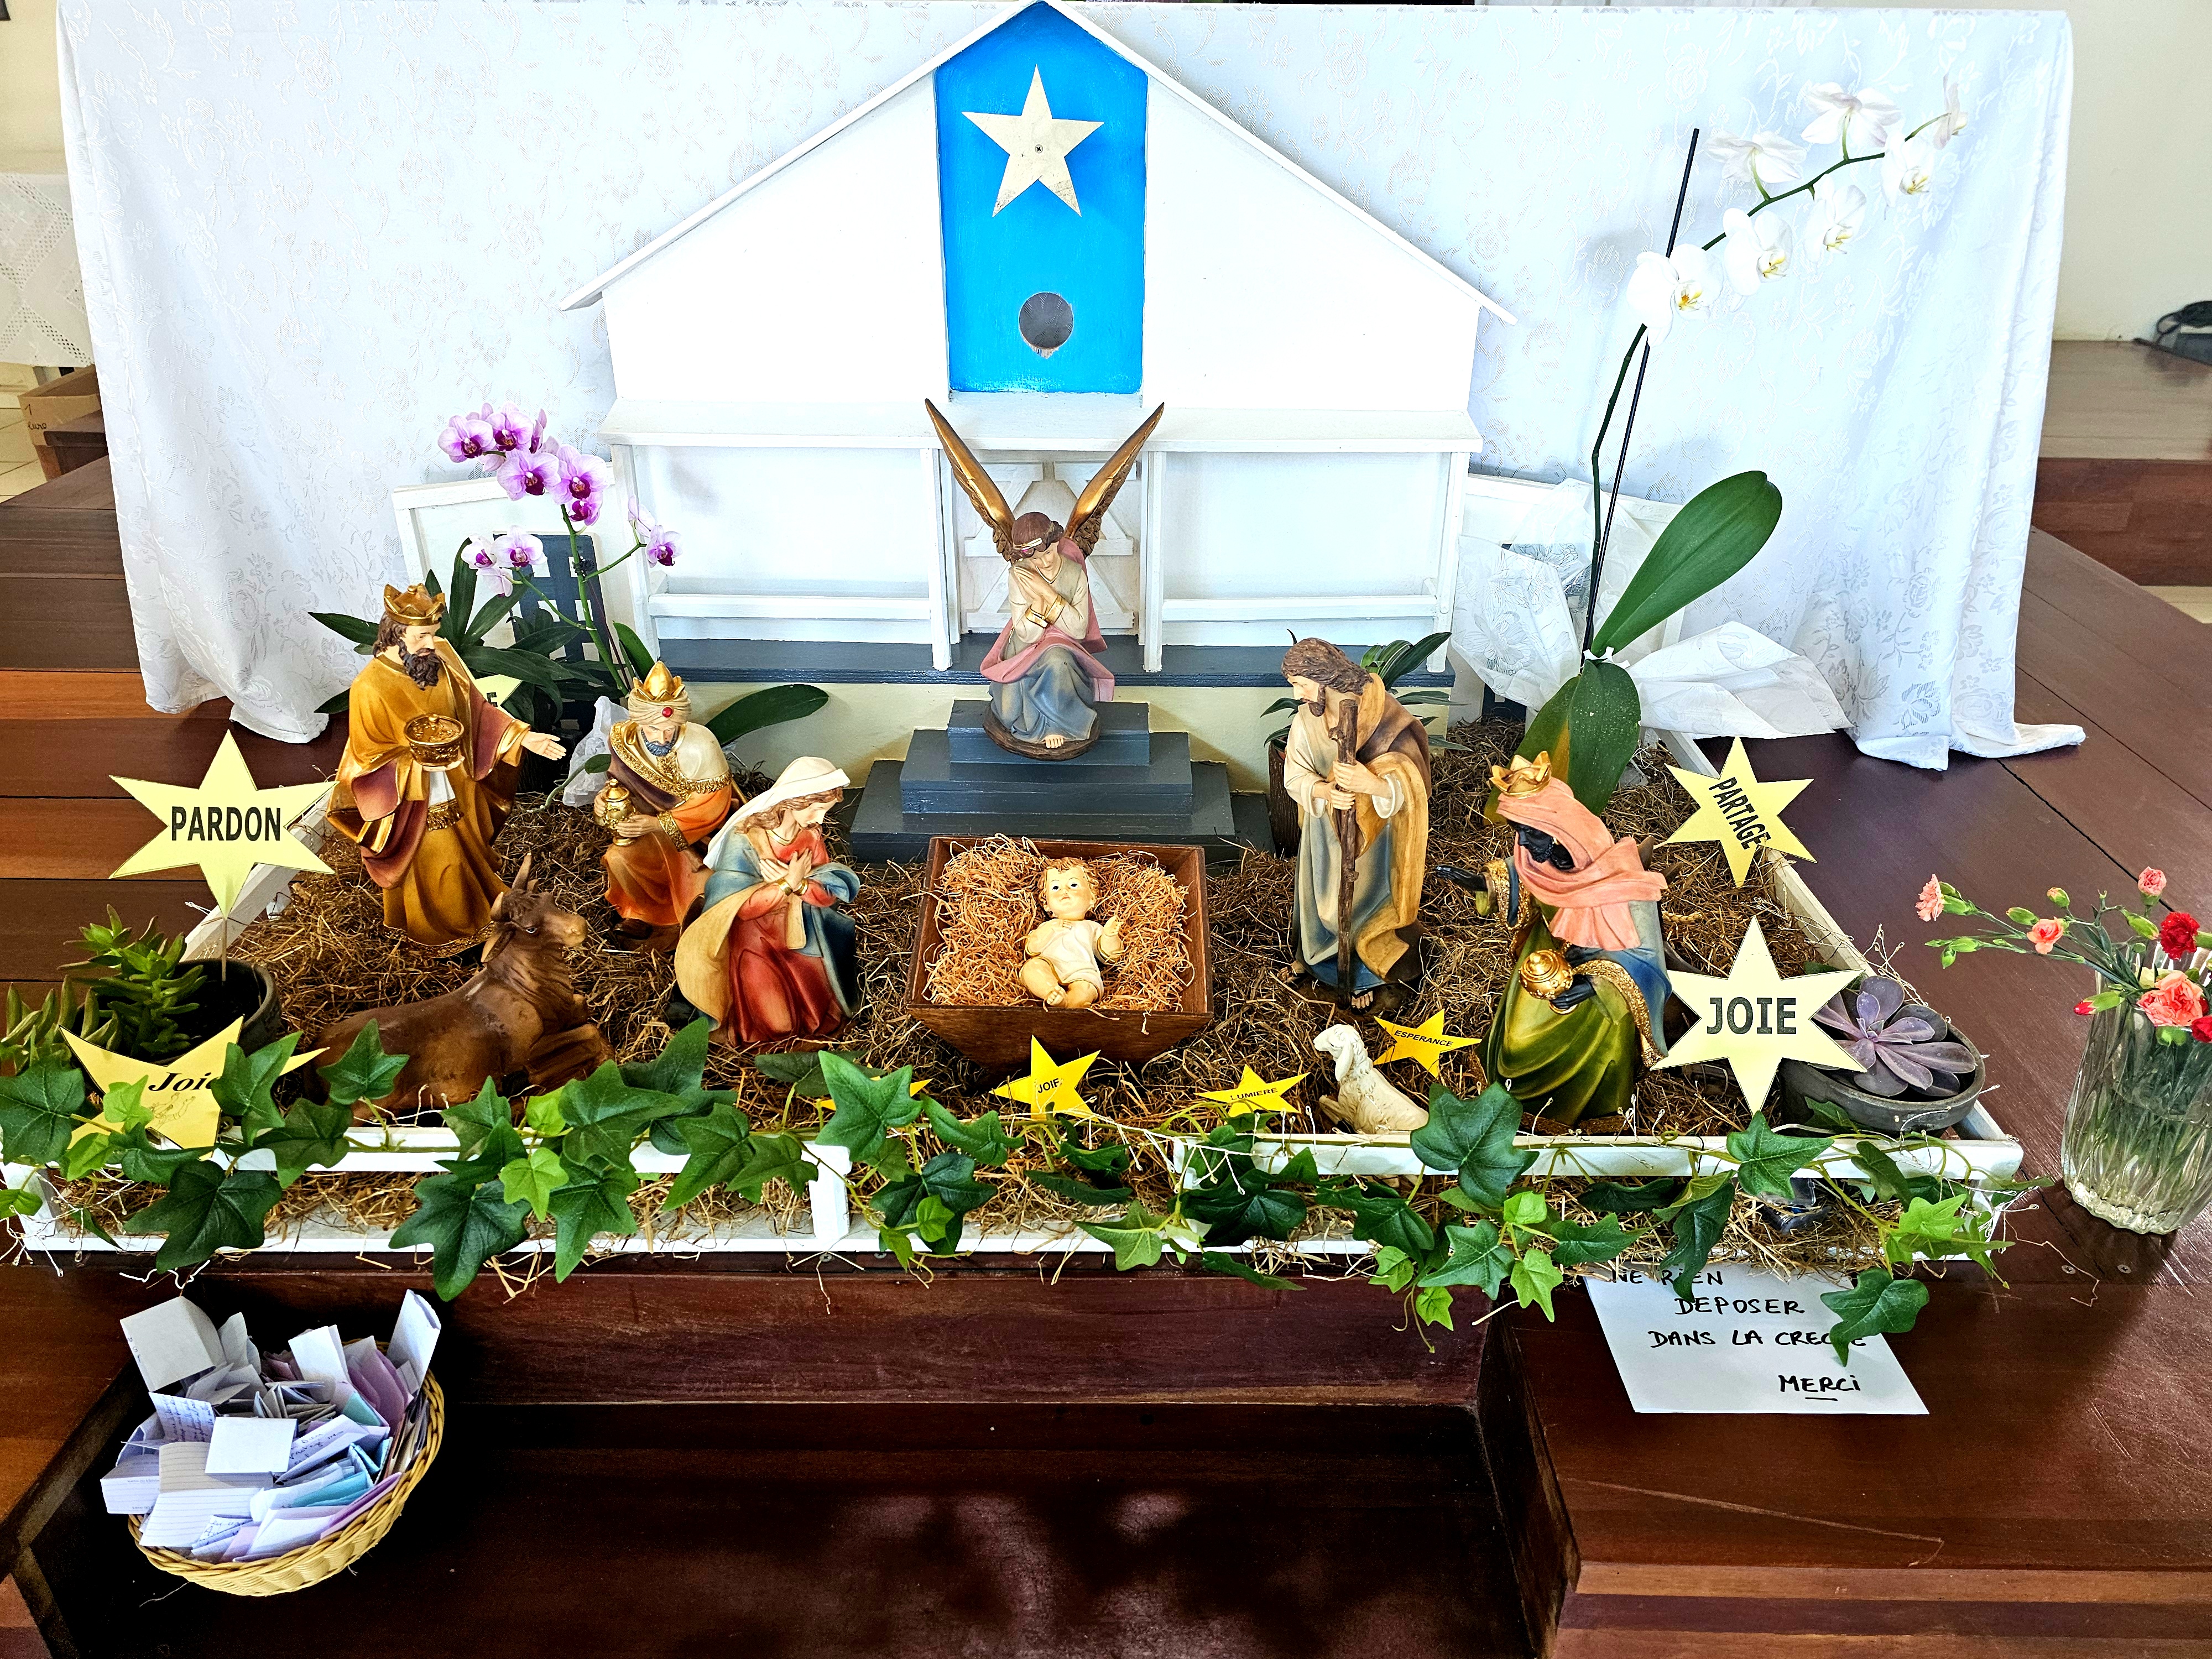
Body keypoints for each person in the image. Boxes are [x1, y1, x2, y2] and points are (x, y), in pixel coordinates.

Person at [328, 582, 565, 946]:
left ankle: (481, 913)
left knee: (466, 849)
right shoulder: (370, 687)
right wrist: (419, 765)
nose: (431, 643)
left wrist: (521, 738)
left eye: (433, 633)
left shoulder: (440, 660)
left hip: (456, 781)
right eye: (421, 636)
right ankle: (445, 934)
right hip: (411, 796)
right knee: (440, 859)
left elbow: (477, 710)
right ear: (396, 634)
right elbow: (368, 756)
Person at [1479, 752, 1671, 1127]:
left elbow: (1645, 960)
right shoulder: (1536, 859)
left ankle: (1578, 1111)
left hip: (1603, 987)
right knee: (1516, 1040)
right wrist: (1482, 882)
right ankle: (1511, 1099)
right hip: (1545, 960)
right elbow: (1521, 878)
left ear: (1560, 831)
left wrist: (1593, 985)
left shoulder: (1621, 880)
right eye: (1518, 831)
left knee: (1590, 1034)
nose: (1524, 843)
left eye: (1532, 833)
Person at [1279, 636, 1432, 1008]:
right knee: (1321, 900)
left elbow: (1413, 780)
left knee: (1363, 900)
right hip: (1323, 830)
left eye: (1301, 684)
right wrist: (1323, 791)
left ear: (1322, 679)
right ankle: (1315, 959)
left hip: (1375, 835)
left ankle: (1363, 973)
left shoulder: (1384, 715)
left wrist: (1372, 784)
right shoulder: (1306, 721)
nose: (1298, 695)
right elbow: (1294, 775)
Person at [674, 757, 860, 1045]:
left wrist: (801, 885)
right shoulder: (745, 841)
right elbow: (740, 908)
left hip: (801, 934)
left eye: (825, 811)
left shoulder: (810, 837)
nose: (820, 819)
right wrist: (787, 884)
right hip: (755, 941)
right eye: (816, 808)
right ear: (795, 800)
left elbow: (826, 894)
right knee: (777, 1024)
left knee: (821, 1018)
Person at [594, 661, 733, 945]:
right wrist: (605, 800)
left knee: (704, 886)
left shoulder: (702, 744)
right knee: (619, 858)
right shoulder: (624, 740)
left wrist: (659, 824)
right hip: (644, 830)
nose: (661, 737)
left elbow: (715, 804)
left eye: (670, 729)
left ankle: (685, 927)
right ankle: (642, 913)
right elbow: (620, 783)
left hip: (699, 836)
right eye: (652, 729)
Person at [978, 510, 1113, 753]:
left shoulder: (1074, 574)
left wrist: (1047, 594)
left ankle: (1054, 724)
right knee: (1008, 713)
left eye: (1049, 553)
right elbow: (1025, 633)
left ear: (1056, 543)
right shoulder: (1019, 575)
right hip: (1026, 648)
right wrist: (1041, 606)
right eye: (1036, 559)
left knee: (1056, 662)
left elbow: (1078, 629)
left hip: (1063, 644)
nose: (1045, 562)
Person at [1020, 858, 1125, 1009]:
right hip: (1050, 966)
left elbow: (1110, 956)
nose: (1064, 891)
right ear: (1046, 904)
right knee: (1032, 968)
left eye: (1074, 885)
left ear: (1092, 897)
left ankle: (1069, 1004)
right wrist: (1048, 931)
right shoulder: (1047, 926)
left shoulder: (1092, 927)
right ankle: (1051, 992)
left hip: (1082, 973)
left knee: (1086, 989)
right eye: (1055, 887)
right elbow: (1031, 949)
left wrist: (1110, 936)